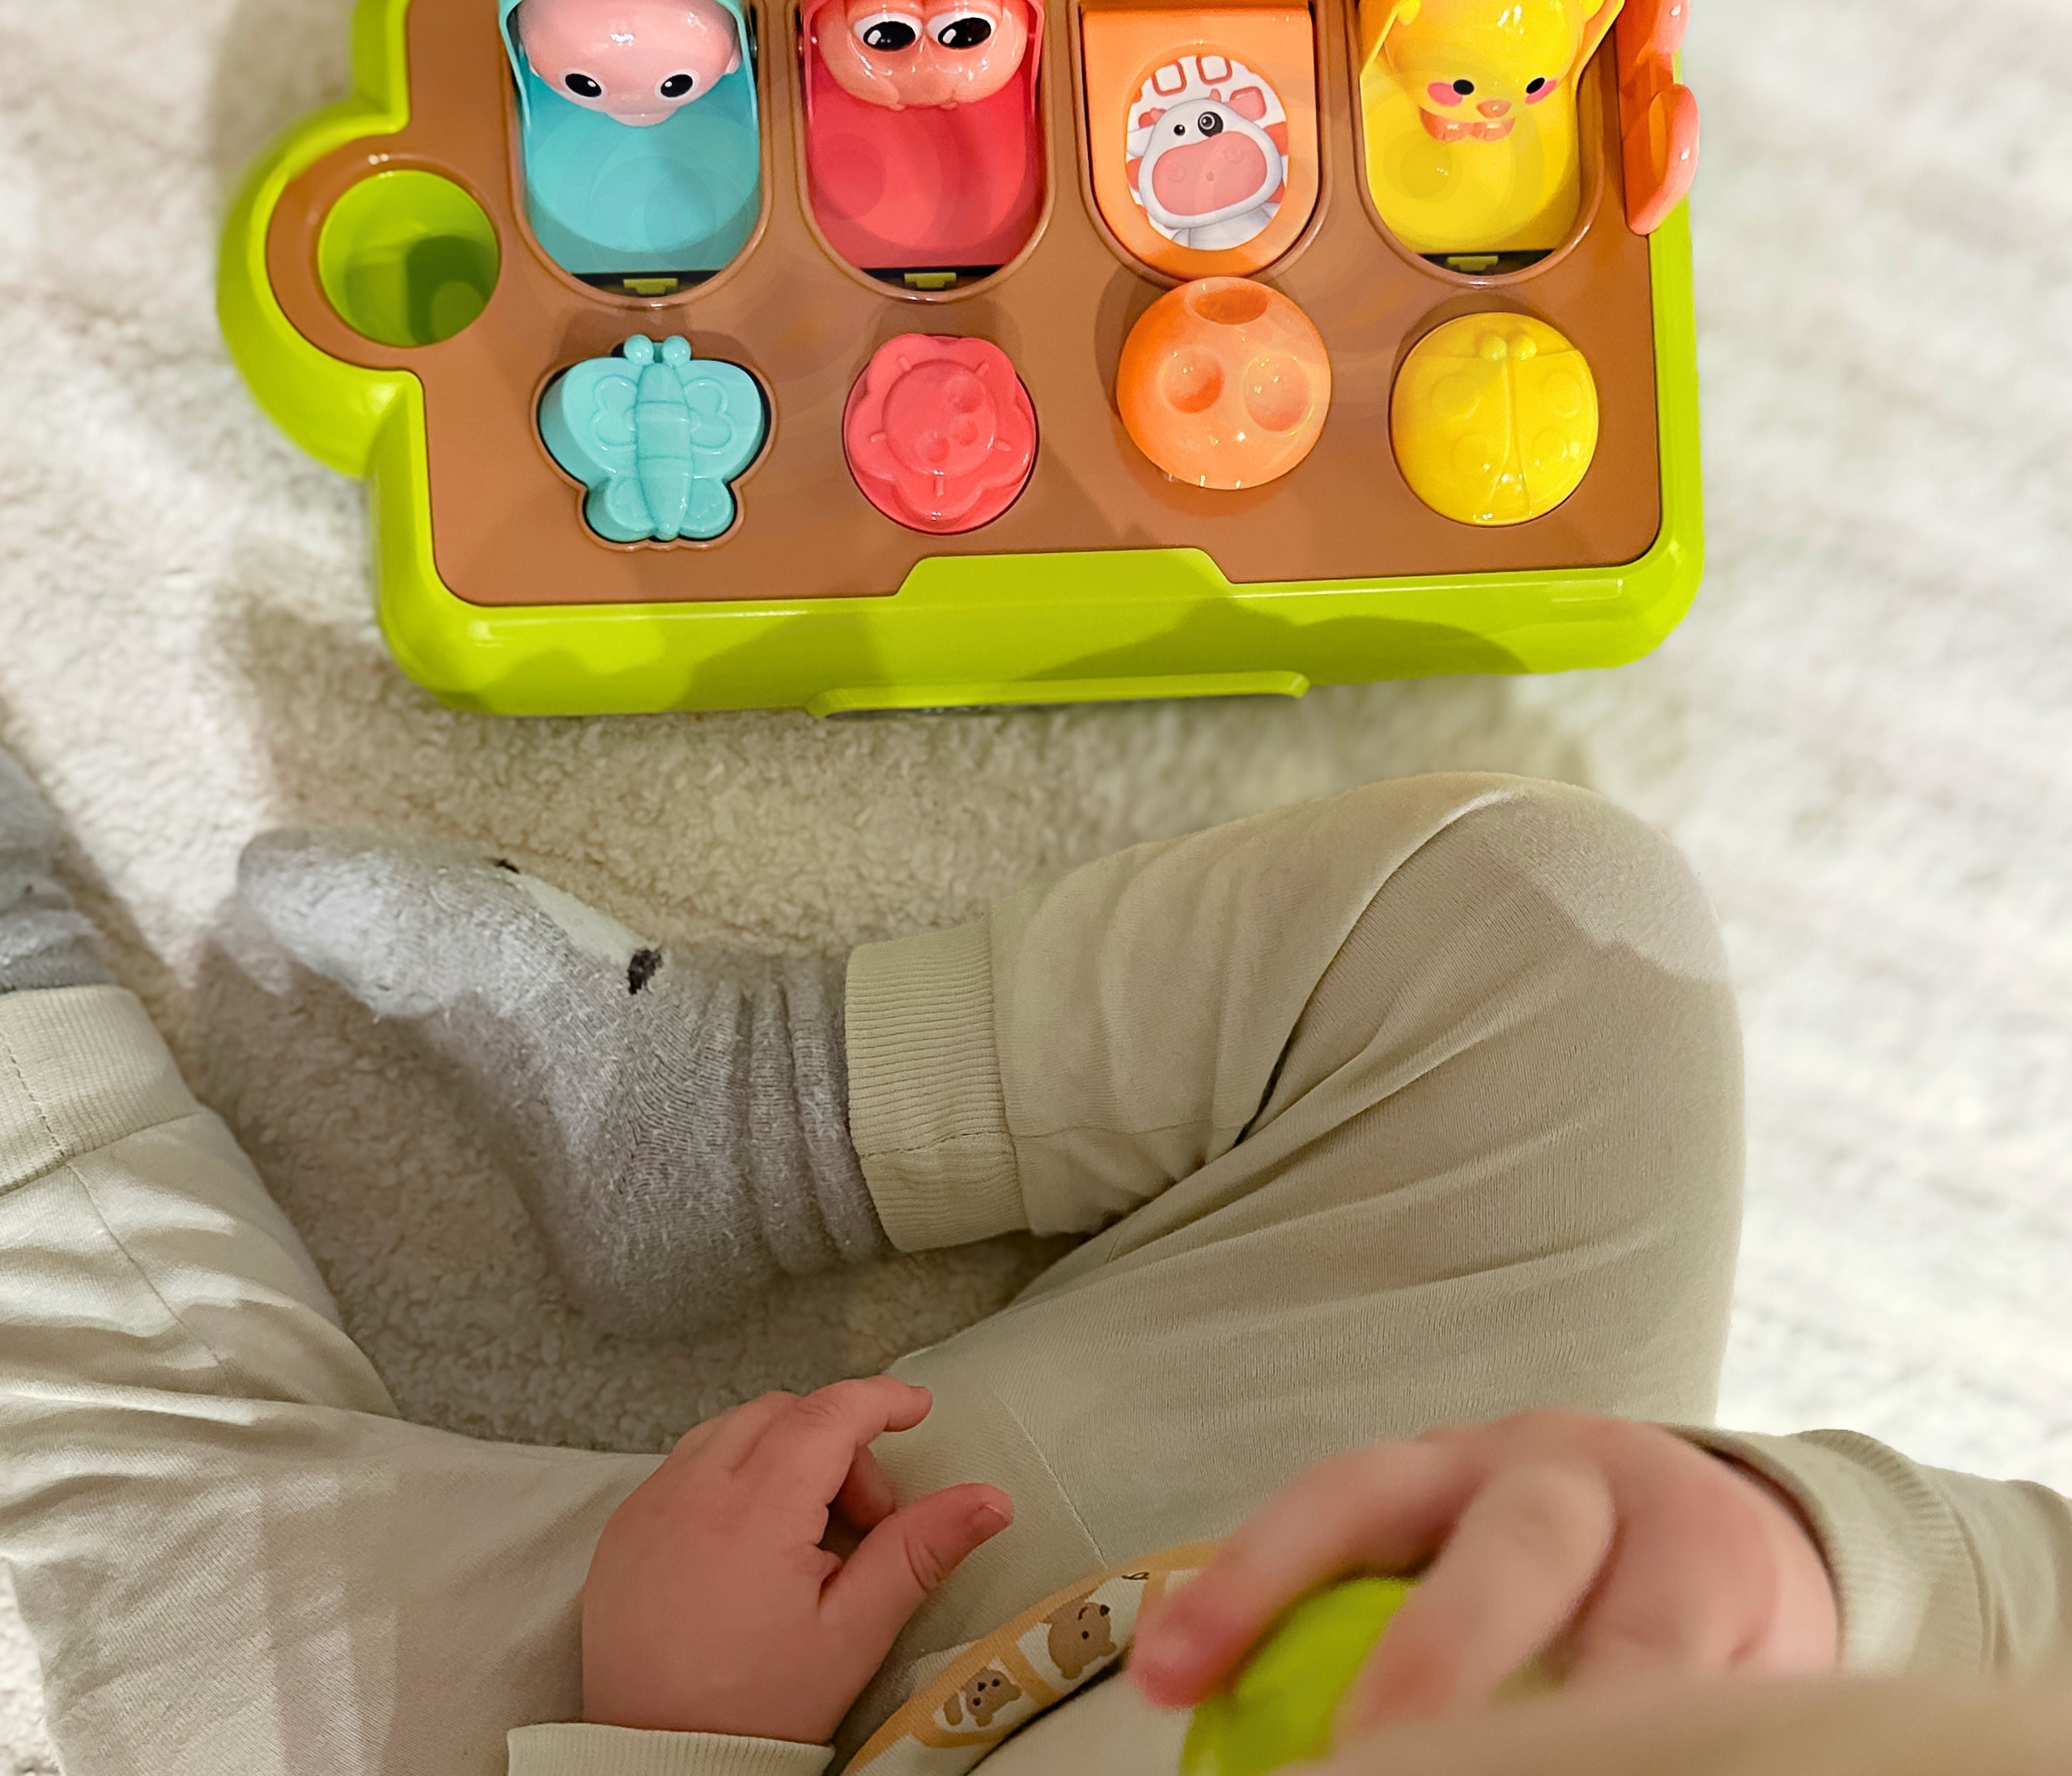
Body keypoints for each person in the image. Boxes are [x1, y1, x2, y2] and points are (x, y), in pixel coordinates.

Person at [0, 738, 2066, 1776]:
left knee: (156, 1564)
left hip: (759, 1724)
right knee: (1558, 939)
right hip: (1332, 1520)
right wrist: (1796, 1567)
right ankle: (735, 1115)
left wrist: (681, 1735)